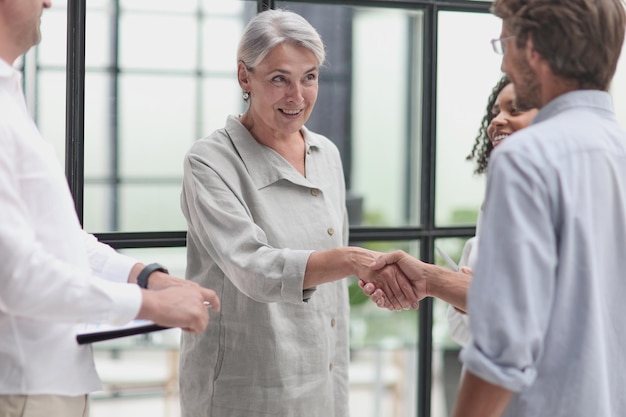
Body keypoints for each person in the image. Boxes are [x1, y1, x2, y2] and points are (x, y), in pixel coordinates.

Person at [368, 0, 626, 416]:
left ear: (532, 49)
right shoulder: (616, 150)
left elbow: (504, 343)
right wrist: (434, 278)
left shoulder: (528, 157)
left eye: (503, 42)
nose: (504, 62)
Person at [178, 9, 414, 417]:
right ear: (244, 78)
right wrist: (351, 260)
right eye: (279, 79)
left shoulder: (326, 154)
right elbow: (254, 268)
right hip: (245, 387)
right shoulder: (210, 161)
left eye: (309, 77)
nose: (298, 96)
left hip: (323, 380)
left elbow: (334, 291)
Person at [0, 1, 220, 416]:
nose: (49, 2)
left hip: (50, 381)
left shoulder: (10, 96)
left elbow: (60, 239)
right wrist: (151, 307)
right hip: (23, 387)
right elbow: (14, 276)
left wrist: (146, 279)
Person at [448, 75, 538, 347]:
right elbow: (459, 331)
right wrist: (466, 299)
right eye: (495, 111)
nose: (497, 120)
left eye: (515, 110)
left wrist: (468, 297)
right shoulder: (496, 199)